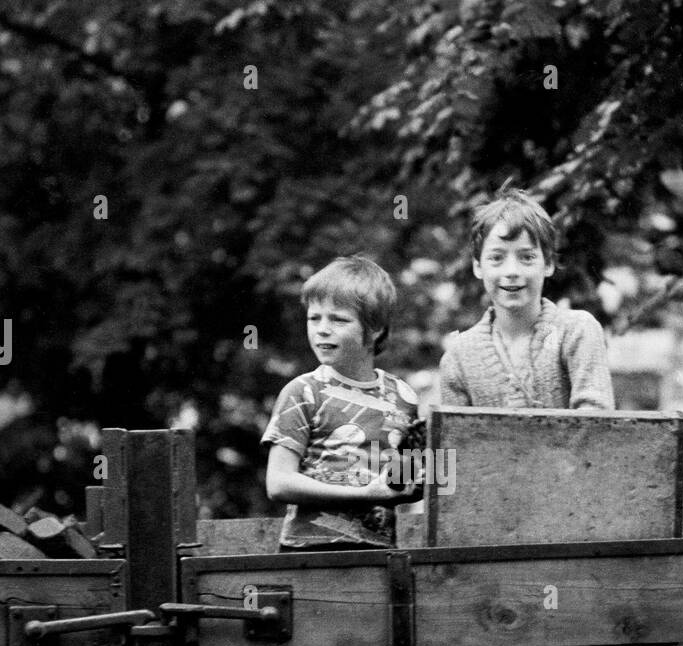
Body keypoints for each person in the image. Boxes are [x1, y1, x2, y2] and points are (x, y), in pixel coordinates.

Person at [262, 256, 421, 551]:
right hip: (309, 554)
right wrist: (365, 493)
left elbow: (404, 484)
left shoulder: (404, 397)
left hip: (379, 554)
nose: (322, 329)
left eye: (338, 319)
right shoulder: (303, 391)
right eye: (314, 318)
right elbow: (278, 483)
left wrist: (419, 474)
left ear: (375, 329)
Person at [440, 187, 614, 410]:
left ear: (549, 263)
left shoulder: (576, 331)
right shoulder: (459, 355)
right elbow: (455, 438)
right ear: (477, 266)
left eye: (527, 257)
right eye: (496, 258)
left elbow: (597, 426)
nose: (512, 270)